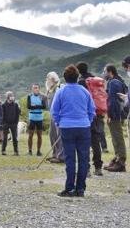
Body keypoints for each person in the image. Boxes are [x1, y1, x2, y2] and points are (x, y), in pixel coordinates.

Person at [51, 65, 95, 197]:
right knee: (83, 158)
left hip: (67, 127)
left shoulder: (61, 91)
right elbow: (92, 110)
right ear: (78, 77)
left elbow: (54, 111)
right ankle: (80, 189)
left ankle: (69, 188)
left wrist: (60, 122)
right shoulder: (84, 91)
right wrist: (87, 121)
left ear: (65, 77)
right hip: (83, 127)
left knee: (70, 159)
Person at [77, 61, 103, 176]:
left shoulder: (81, 82)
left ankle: (86, 169)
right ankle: (98, 168)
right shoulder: (94, 79)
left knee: (84, 142)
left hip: (86, 115)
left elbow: (81, 100)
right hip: (97, 113)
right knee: (96, 141)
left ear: (78, 71)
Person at [103, 64, 127, 172]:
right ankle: (117, 159)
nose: (103, 74)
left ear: (110, 72)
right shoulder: (118, 80)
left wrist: (110, 115)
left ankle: (121, 162)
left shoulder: (113, 82)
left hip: (115, 114)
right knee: (115, 137)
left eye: (105, 71)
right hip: (118, 113)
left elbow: (112, 101)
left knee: (117, 138)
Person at [46, 72, 64, 164]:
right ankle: (55, 154)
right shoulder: (49, 90)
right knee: (52, 135)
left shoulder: (59, 88)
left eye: (47, 78)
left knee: (59, 136)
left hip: (59, 115)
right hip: (52, 115)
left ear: (52, 79)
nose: (46, 80)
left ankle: (61, 156)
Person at [26, 84, 47, 156]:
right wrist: (38, 106)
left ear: (39, 89)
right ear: (32, 89)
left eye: (37, 88)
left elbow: (44, 106)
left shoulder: (42, 96)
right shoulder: (29, 96)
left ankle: (38, 151)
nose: (35, 89)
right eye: (34, 88)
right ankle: (30, 151)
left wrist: (34, 106)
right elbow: (28, 106)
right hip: (32, 118)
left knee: (39, 135)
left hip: (39, 118)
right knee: (30, 135)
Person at [1, 91, 20, 155]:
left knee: (15, 138)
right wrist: (3, 123)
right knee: (5, 138)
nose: (12, 97)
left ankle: (16, 151)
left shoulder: (15, 105)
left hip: (13, 124)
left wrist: (16, 122)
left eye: (12, 96)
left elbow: (17, 114)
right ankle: (3, 151)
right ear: (7, 97)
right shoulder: (3, 105)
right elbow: (2, 114)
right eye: (10, 96)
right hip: (5, 124)